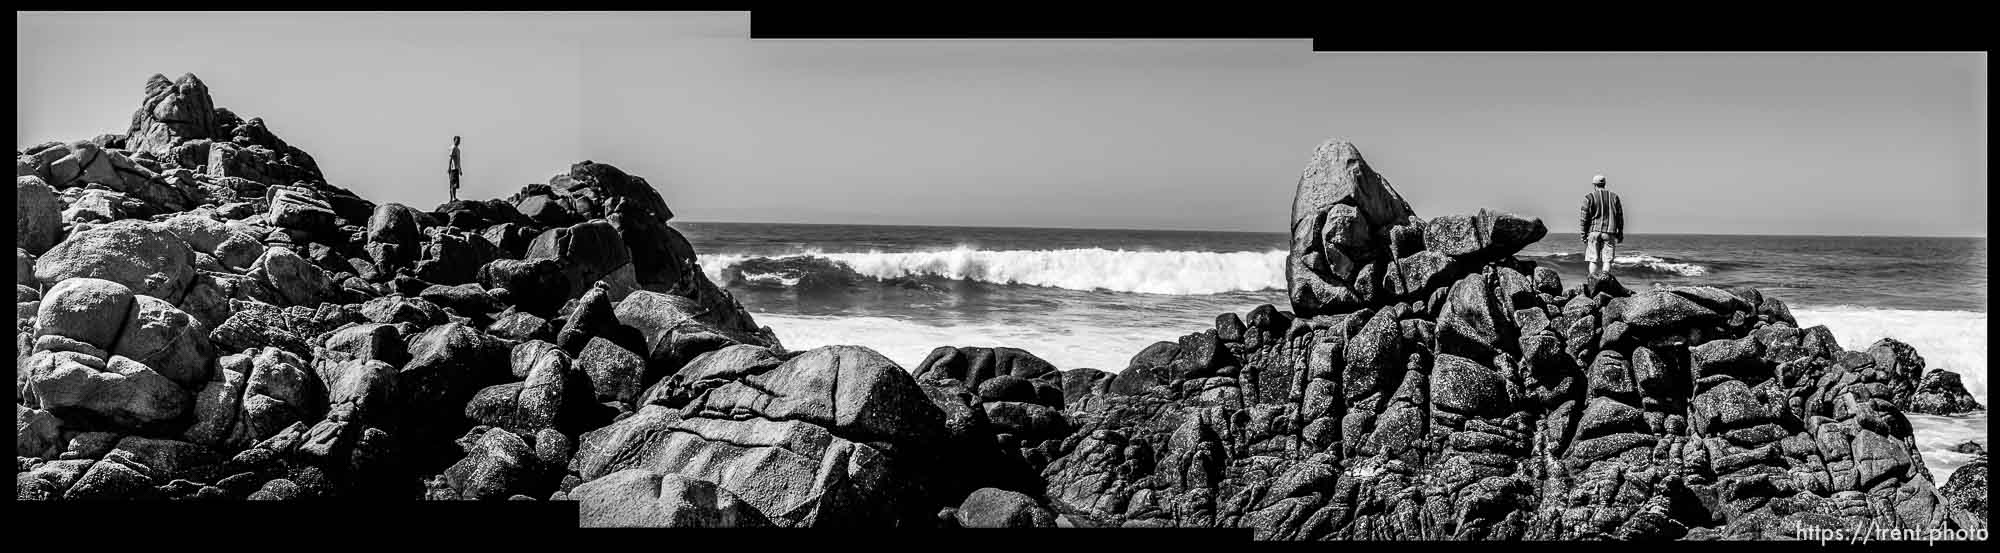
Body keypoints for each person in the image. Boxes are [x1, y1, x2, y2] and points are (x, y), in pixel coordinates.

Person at [1578, 174, 1624, 276]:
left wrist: (1583, 234)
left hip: (1593, 232)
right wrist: (1620, 232)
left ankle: (1592, 282)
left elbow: (1584, 218)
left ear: (1594, 185)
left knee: (1593, 259)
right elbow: (1619, 217)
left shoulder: (1589, 198)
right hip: (1609, 232)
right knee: (1607, 260)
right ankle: (1604, 281)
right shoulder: (1614, 197)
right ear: (1604, 184)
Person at [448, 136, 463, 202]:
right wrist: (449, 167)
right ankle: (452, 198)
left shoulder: (458, 149)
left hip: (456, 168)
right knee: (452, 184)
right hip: (452, 168)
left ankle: (454, 197)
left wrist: (460, 169)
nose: (458, 142)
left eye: (459, 140)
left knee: (455, 184)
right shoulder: (453, 148)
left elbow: (458, 160)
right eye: (457, 140)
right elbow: (450, 158)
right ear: (454, 140)